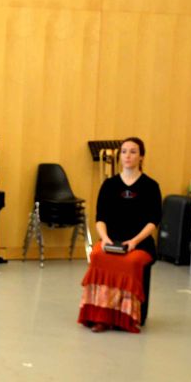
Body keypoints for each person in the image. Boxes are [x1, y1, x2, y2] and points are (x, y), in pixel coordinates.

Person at [77, 137, 161, 333]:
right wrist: (105, 240)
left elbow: (153, 220)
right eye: (124, 152)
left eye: (133, 151)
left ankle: (126, 316)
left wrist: (134, 241)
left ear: (141, 156)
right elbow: (100, 218)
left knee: (130, 262)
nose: (128, 156)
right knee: (98, 256)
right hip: (111, 240)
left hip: (139, 244)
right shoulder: (109, 185)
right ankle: (101, 316)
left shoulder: (150, 186)